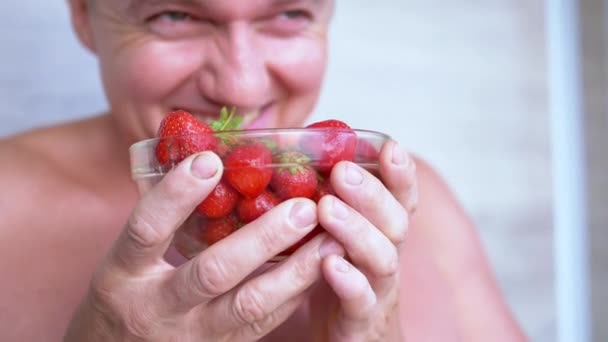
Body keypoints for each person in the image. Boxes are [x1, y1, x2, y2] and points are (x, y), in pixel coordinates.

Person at [0, 0, 526, 341]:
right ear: (84, 17)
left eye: (290, 14)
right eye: (173, 16)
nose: (241, 88)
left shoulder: (415, 205)